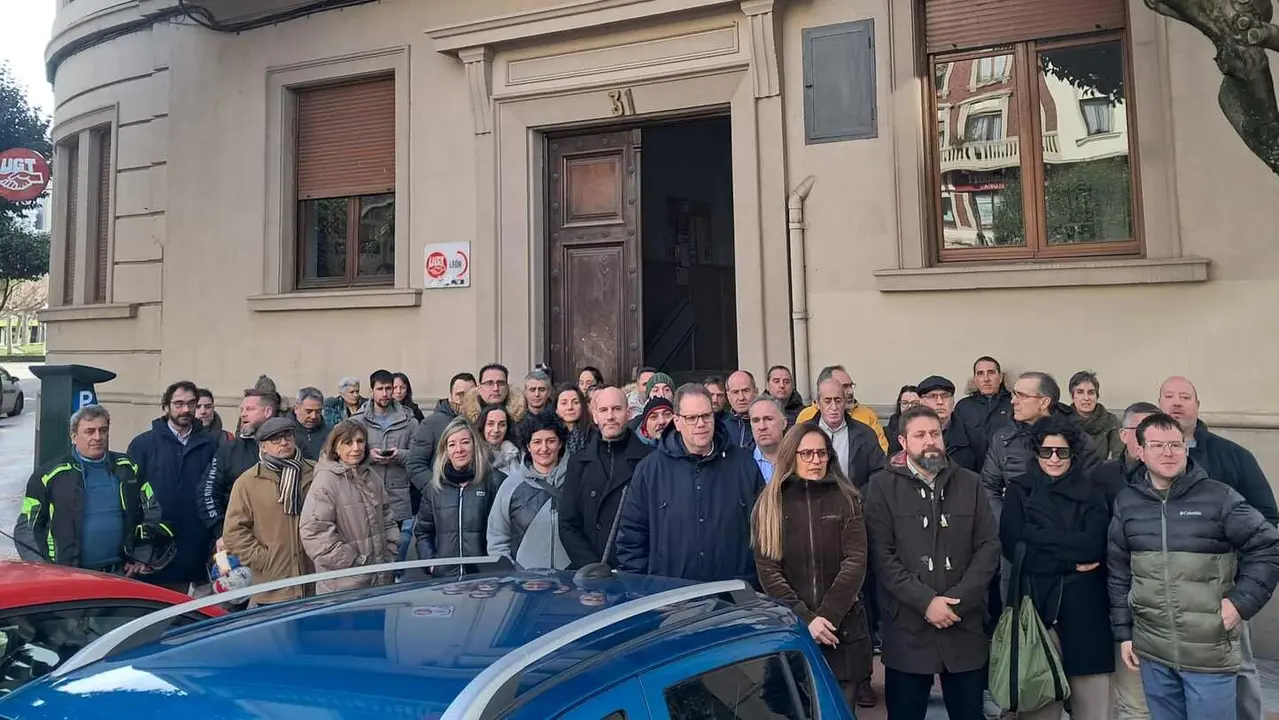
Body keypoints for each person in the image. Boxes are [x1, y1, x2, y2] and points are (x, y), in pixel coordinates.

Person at [1108, 412, 1279, 720]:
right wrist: (1125, 635)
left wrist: (1241, 603)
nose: (1167, 452)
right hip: (1153, 651)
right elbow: (1119, 572)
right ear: (1141, 451)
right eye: (1157, 445)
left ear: (1186, 448)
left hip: (1209, 653)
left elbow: (1269, 545)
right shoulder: (1127, 502)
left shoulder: (1219, 497)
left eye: (1175, 444)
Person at [865, 406, 1001, 720]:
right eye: (920, 435)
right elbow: (881, 556)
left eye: (935, 433)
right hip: (908, 629)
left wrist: (957, 602)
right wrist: (926, 602)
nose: (930, 441)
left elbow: (988, 547)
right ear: (903, 441)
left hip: (963, 625)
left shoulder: (970, 483)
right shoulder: (882, 487)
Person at [753, 423, 875, 709]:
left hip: (841, 631)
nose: (816, 461)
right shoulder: (770, 504)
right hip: (792, 628)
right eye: (806, 453)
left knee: (839, 710)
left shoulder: (847, 498)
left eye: (821, 453)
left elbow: (855, 562)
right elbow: (769, 571)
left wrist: (827, 617)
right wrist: (807, 620)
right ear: (791, 455)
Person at [999, 417, 1114, 720]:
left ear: (1072, 454)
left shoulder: (1091, 492)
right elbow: (1013, 545)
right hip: (1036, 610)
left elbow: (1093, 546)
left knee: (1093, 708)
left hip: (1088, 614)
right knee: (1038, 707)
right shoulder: (1019, 491)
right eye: (1046, 451)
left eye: (1061, 452)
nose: (1053, 458)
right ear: (1035, 452)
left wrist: (1035, 537)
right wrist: (1070, 561)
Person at [616, 384, 764, 584]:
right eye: (691, 418)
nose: (700, 424)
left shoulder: (743, 465)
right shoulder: (650, 470)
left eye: (706, 416)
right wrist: (645, 589)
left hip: (735, 595)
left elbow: (765, 530)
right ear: (677, 421)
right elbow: (632, 538)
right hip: (671, 597)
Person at [14, 405, 169, 576]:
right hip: (68, 576)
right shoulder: (49, 475)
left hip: (121, 573)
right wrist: (43, 568)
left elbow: (152, 512)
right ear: (74, 437)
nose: (98, 437)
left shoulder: (128, 467)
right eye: (90, 431)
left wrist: (142, 556)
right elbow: (26, 528)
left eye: (103, 430)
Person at [126, 381, 219, 594]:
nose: (185, 409)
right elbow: (130, 499)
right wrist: (136, 548)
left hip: (195, 545)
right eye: (178, 404)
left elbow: (216, 492)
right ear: (166, 406)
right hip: (153, 547)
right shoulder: (143, 445)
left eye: (191, 403)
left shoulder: (211, 445)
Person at [222, 417, 317, 607]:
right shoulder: (248, 482)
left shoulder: (315, 472)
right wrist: (264, 560)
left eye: (287, 436)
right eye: (276, 439)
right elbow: (234, 533)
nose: (284, 442)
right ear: (263, 447)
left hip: (314, 582)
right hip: (273, 587)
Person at [299, 420, 399, 593]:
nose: (356, 448)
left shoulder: (372, 477)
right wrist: (355, 563)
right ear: (336, 447)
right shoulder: (326, 481)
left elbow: (387, 517)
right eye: (348, 442)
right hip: (343, 585)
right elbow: (315, 533)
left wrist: (390, 550)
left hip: (380, 579)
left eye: (360, 441)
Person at [560, 386, 653, 569]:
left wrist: (635, 565)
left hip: (634, 572)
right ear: (595, 415)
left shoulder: (648, 461)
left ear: (628, 413)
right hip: (590, 574)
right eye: (604, 410)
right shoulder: (579, 462)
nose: (610, 416)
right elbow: (568, 523)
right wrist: (591, 566)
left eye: (616, 409)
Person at [981, 371, 1098, 515]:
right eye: (1014, 394)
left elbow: (1090, 493)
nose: (1013, 401)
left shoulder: (1079, 440)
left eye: (1021, 396)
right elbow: (989, 488)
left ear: (1044, 402)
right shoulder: (1002, 438)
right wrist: (1007, 523)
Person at [413, 417, 506, 578]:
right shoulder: (435, 488)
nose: (459, 449)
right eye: (452, 444)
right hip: (446, 582)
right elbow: (423, 532)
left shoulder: (495, 481)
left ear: (475, 445)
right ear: (445, 451)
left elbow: (507, 531)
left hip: (486, 581)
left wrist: (498, 566)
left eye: (465, 442)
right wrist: (432, 565)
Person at [351, 369, 419, 564]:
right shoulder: (357, 421)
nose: (385, 393)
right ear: (371, 390)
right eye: (380, 389)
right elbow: (344, 455)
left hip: (398, 494)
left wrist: (399, 455)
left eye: (388, 388)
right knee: (368, 547)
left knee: (396, 546)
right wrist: (367, 455)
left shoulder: (409, 420)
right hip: (365, 492)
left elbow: (418, 456)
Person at [487, 412, 571, 570]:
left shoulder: (576, 482)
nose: (544, 448)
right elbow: (497, 537)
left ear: (560, 444)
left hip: (570, 582)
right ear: (528, 446)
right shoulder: (510, 485)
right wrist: (510, 573)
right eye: (537, 442)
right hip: (525, 585)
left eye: (551, 441)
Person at [200, 387, 278, 541]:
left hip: (280, 539)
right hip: (237, 539)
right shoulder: (228, 450)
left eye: (250, 409)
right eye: (242, 409)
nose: (243, 414)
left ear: (268, 412)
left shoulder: (290, 449)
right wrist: (221, 532)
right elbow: (207, 492)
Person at [812, 374, 886, 489]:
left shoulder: (866, 434)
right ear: (818, 404)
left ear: (845, 402)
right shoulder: (803, 433)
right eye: (827, 401)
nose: (834, 407)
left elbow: (879, 472)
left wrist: (861, 497)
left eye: (838, 400)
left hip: (854, 501)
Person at [407, 372, 476, 490]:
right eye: (460, 395)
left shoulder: (484, 421)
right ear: (450, 397)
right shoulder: (431, 423)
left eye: (470, 394)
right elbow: (415, 464)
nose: (465, 399)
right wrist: (435, 492)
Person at [796, 365, 889, 453]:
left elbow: (881, 453)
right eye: (844, 386)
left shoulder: (867, 415)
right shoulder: (806, 415)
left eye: (851, 386)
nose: (850, 391)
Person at [1089, 401, 1161, 510]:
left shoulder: (1171, 474)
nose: (1148, 438)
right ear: (1123, 435)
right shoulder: (1101, 475)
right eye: (1141, 430)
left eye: (1156, 431)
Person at [954, 356, 1013, 464]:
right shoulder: (963, 407)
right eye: (980, 374)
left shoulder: (1014, 403)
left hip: (1008, 472)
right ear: (975, 379)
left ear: (1000, 378)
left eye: (991, 372)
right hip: (972, 474)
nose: (986, 379)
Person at [916, 375, 979, 473]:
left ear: (953, 401)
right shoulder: (909, 434)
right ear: (921, 403)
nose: (940, 402)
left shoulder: (972, 434)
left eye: (945, 396)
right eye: (933, 396)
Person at [1069, 370, 1123, 462]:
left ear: (1096, 396)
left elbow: (1118, 456)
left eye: (1091, 392)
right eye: (1080, 392)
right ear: (1072, 397)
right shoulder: (1062, 420)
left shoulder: (1111, 420)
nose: (1086, 398)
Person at [461, 363, 527, 437]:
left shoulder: (523, 418)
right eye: (489, 383)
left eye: (501, 383)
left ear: (507, 387)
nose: (496, 388)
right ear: (479, 388)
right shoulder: (464, 420)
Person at [748, 396, 787, 482]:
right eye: (756, 420)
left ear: (783, 423)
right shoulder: (741, 463)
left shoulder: (798, 459)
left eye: (768, 419)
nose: (762, 427)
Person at [290, 386, 332, 461]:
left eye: (318, 411)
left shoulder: (331, 434)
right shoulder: (285, 433)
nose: (313, 416)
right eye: (308, 411)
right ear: (296, 409)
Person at [478, 403, 521, 472]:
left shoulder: (514, 453)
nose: (496, 430)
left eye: (502, 425)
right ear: (482, 425)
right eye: (490, 424)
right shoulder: (475, 455)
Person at [723, 370, 759, 450]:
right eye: (735, 392)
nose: (741, 397)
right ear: (728, 396)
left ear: (756, 392)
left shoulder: (769, 423)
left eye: (746, 391)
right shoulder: (721, 429)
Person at [554, 383, 593, 455]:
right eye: (564, 403)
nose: (570, 407)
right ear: (556, 409)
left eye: (575, 402)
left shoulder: (592, 434)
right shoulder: (552, 434)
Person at [885, 385, 921, 456]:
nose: (910, 407)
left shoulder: (928, 423)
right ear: (900, 405)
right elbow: (892, 451)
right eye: (905, 403)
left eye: (915, 403)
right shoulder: (894, 422)